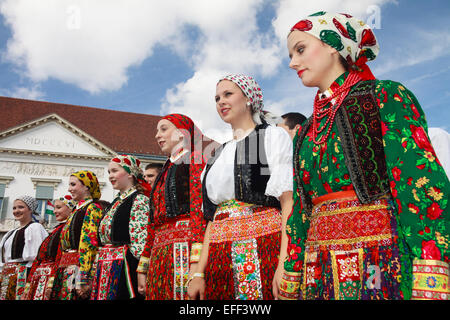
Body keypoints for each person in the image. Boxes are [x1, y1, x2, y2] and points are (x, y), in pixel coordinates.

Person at [280, 11, 449, 300]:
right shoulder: (307, 130)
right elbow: (301, 209)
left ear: (333, 44)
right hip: (318, 269)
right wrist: (292, 271)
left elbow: (418, 184)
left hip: (378, 262)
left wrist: (429, 268)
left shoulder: (384, 96)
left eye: (301, 49)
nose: (293, 62)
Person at [187, 74, 293, 300]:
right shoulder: (216, 154)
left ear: (248, 99)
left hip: (265, 247)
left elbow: (288, 203)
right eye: (216, 98)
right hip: (219, 255)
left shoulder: (271, 137)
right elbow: (211, 219)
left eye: (228, 94)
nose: (220, 102)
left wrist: (286, 262)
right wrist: (198, 272)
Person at [136, 114, 210, 300]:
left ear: (181, 133)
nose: (157, 135)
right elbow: (152, 222)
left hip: (183, 249)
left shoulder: (195, 158)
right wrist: (143, 266)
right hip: (160, 254)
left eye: (164, 129)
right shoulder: (165, 169)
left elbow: (198, 212)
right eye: (157, 131)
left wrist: (196, 261)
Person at [90, 155, 150, 300]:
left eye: (115, 171)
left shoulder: (139, 199)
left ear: (130, 173)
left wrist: (140, 270)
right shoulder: (117, 201)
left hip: (124, 268)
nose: (110, 176)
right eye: (109, 172)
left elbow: (140, 241)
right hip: (107, 265)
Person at [51, 170, 103, 300]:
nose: (69, 189)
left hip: (78, 269)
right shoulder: (76, 210)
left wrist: (83, 278)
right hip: (67, 268)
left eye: (73, 185)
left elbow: (89, 243)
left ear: (86, 186)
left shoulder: (92, 208)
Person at [24, 195, 75, 300]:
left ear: (70, 208)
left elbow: (60, 256)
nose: (55, 211)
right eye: (54, 208)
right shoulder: (57, 230)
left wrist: (52, 280)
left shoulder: (67, 230)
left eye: (59, 207)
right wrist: (29, 283)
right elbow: (39, 257)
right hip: (41, 279)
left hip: (51, 279)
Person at [0, 196, 48, 300]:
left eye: (21, 207)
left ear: (30, 210)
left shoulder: (35, 228)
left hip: (24, 275)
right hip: (7, 276)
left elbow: (37, 256)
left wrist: (30, 283)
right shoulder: (10, 232)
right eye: (14, 208)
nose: (16, 211)